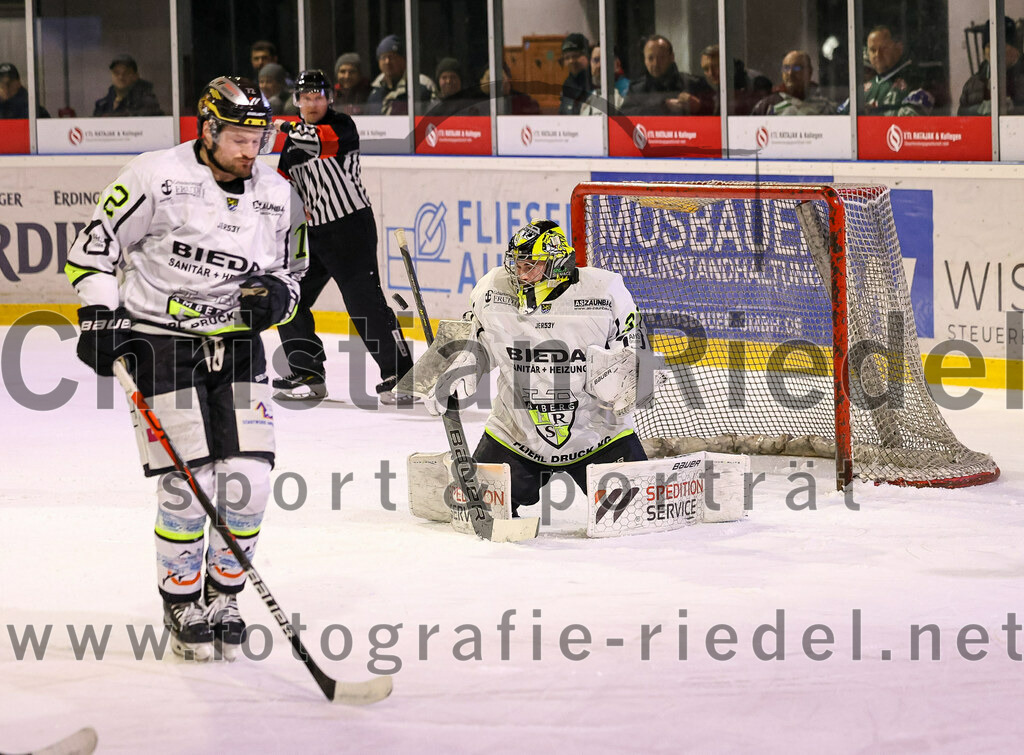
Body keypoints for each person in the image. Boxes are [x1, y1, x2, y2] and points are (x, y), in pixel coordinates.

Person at [65, 76, 303, 661]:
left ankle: (224, 594)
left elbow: (293, 275)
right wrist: (101, 315)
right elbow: (92, 253)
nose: (253, 150)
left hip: (239, 348)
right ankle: (180, 598)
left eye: (261, 136)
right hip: (160, 346)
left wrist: (276, 296)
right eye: (241, 137)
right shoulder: (153, 175)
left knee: (249, 482)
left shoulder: (277, 193)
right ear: (209, 128)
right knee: (186, 485)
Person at [426, 220, 650, 517]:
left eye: (530, 266)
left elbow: (641, 361)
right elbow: (470, 341)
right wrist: (452, 364)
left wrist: (626, 379)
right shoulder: (492, 290)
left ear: (557, 264)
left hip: (599, 435)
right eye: (517, 265)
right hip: (516, 435)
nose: (520, 274)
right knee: (470, 512)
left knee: (639, 516)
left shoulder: (605, 290)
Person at [274, 70, 413, 404]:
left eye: (318, 97)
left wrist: (280, 125)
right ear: (297, 100)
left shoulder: (341, 126)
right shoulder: (292, 143)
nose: (312, 103)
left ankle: (402, 377)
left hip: (351, 228)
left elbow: (317, 143)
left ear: (329, 99)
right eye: (305, 98)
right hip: (315, 235)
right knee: (288, 297)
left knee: (363, 302)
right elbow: (282, 186)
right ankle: (307, 372)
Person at [621, 35, 712, 115]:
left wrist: (699, 106)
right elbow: (624, 117)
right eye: (650, 58)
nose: (655, 64)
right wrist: (661, 107)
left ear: (671, 57)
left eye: (661, 57)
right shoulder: (636, 89)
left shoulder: (693, 84)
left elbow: (718, 111)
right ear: (645, 60)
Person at [860, 25, 933, 116]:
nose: (877, 55)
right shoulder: (865, 88)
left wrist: (870, 114)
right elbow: (841, 113)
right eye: (872, 50)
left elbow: (914, 116)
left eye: (884, 48)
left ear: (899, 48)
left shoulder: (916, 79)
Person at [959, 16, 1024, 115]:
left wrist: (1014, 110)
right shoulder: (972, 84)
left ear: (1015, 51)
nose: (994, 51)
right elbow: (961, 119)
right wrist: (975, 111)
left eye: (1001, 45)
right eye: (989, 46)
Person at [367, 34, 438, 115]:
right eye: (383, 57)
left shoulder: (422, 85)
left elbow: (435, 119)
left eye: (392, 57)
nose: (387, 62)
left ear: (403, 59)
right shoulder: (375, 91)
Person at [751, 50, 837, 115]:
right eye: (786, 68)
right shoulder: (766, 106)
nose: (790, 73)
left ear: (809, 72)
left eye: (797, 68)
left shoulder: (826, 105)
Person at [93, 54, 163, 117]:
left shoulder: (147, 103)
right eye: (116, 73)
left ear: (136, 76)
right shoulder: (102, 105)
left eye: (126, 73)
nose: (121, 77)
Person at [580, 45, 629, 115]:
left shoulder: (628, 91)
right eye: (596, 60)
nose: (599, 65)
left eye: (605, 60)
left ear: (617, 64)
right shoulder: (590, 95)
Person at [558, 33, 593, 114]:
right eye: (567, 58)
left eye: (576, 56)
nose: (571, 61)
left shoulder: (596, 82)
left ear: (587, 56)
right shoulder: (567, 85)